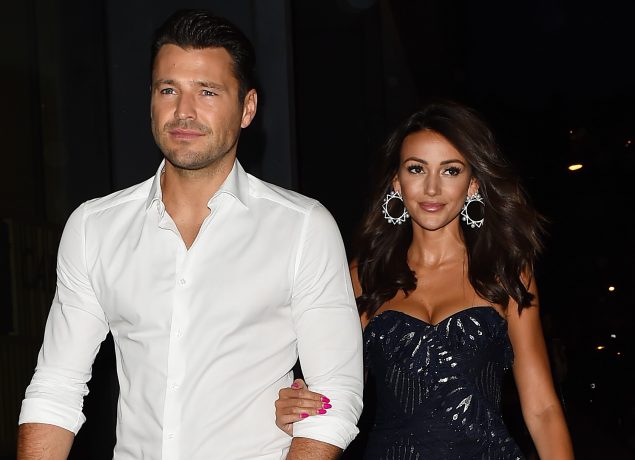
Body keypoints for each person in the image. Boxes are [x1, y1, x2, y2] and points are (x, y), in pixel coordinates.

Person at [17, 8, 363, 460]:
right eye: (168, 90)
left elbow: (335, 393)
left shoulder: (302, 227)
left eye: (207, 92)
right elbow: (56, 387)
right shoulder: (94, 227)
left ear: (247, 108)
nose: (184, 111)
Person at [275, 101, 574, 459]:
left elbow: (542, 409)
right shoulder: (364, 276)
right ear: (397, 182)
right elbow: (335, 393)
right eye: (417, 169)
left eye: (450, 171)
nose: (432, 188)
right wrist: (300, 406)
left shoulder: (507, 273)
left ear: (473, 184)